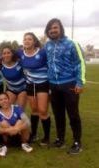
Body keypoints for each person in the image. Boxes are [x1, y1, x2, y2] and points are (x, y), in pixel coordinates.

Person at [44, 18, 86, 154]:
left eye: (55, 27)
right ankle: (60, 139)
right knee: (58, 114)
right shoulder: (47, 45)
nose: (52, 30)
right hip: (53, 85)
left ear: (61, 28)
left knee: (73, 114)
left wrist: (80, 82)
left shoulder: (71, 43)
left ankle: (77, 142)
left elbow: (80, 63)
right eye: (50, 28)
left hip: (69, 84)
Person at [17, 32, 51, 146]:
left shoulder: (42, 52)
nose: (27, 41)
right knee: (34, 110)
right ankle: (34, 134)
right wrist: (0, 58)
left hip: (43, 84)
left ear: (34, 41)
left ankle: (46, 137)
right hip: (30, 85)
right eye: (25, 39)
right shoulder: (20, 53)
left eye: (29, 39)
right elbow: (8, 54)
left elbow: (51, 64)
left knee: (42, 110)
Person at [0, 92, 33, 157]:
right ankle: (5, 146)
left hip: (20, 136)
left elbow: (28, 122)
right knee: (3, 123)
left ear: (9, 99)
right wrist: (9, 130)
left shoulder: (17, 108)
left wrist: (17, 129)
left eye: (5, 99)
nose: (4, 101)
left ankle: (24, 144)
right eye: (1, 100)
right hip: (9, 138)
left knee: (20, 121)